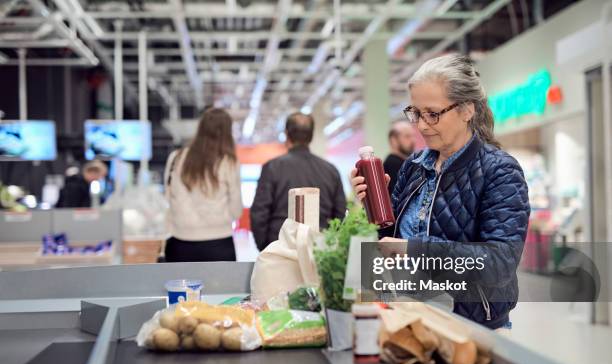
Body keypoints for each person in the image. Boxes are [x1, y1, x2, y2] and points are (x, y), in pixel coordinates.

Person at [350, 54, 530, 331]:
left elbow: (499, 263)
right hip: (407, 317)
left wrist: (417, 250)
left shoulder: (500, 171)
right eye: (415, 113)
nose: (421, 125)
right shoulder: (414, 166)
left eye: (433, 114)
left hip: (470, 327)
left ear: (467, 110)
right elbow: (388, 242)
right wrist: (370, 207)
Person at [250, 112, 347, 251]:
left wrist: (266, 247)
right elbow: (340, 215)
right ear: (311, 136)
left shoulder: (272, 168)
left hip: (280, 247)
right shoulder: (331, 171)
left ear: (287, 134)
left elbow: (259, 212)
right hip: (319, 250)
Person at [164, 108, 243, 262]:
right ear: (227, 132)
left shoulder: (176, 158)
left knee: (180, 286)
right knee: (223, 286)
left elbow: (168, 195)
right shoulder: (229, 163)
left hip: (181, 241)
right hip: (219, 242)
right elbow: (236, 210)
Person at [384, 120, 416, 195]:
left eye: (413, 136)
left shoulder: (406, 162)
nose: (413, 140)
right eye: (407, 136)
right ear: (394, 140)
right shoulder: (392, 164)